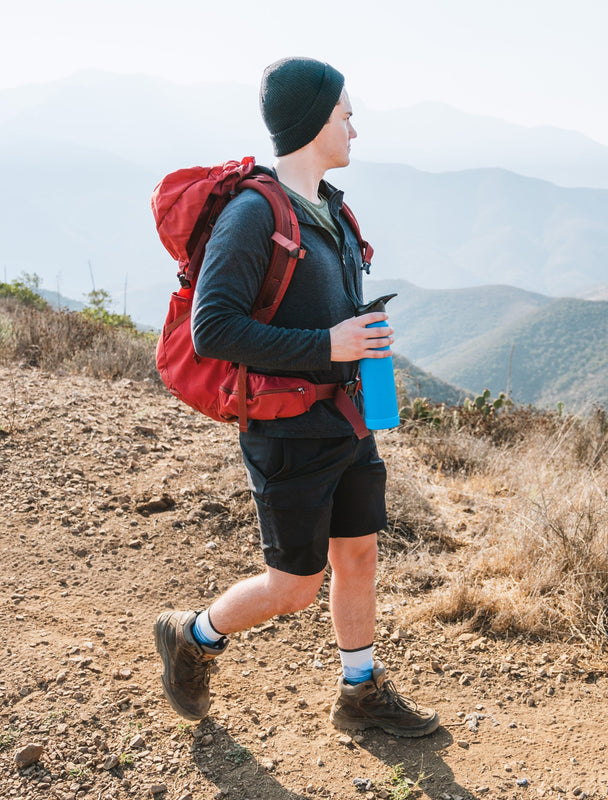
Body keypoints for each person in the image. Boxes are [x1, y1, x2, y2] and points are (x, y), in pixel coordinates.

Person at [153, 56, 439, 738]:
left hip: (346, 423)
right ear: (315, 122)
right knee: (293, 588)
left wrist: (357, 346)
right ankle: (192, 635)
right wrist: (330, 346)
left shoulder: (333, 210)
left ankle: (360, 692)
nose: (354, 130)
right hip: (286, 433)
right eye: (346, 116)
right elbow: (215, 328)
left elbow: (321, 314)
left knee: (359, 555)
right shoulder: (253, 214)